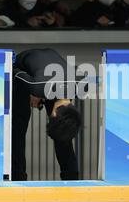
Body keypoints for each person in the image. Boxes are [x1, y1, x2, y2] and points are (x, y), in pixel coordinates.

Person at [12, 48, 84, 181]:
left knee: (64, 135)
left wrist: (41, 93)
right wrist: (32, 92)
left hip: (50, 66)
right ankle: (18, 177)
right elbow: (14, 72)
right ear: (54, 113)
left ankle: (71, 178)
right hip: (22, 64)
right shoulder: (38, 86)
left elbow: (76, 70)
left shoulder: (82, 85)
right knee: (17, 130)